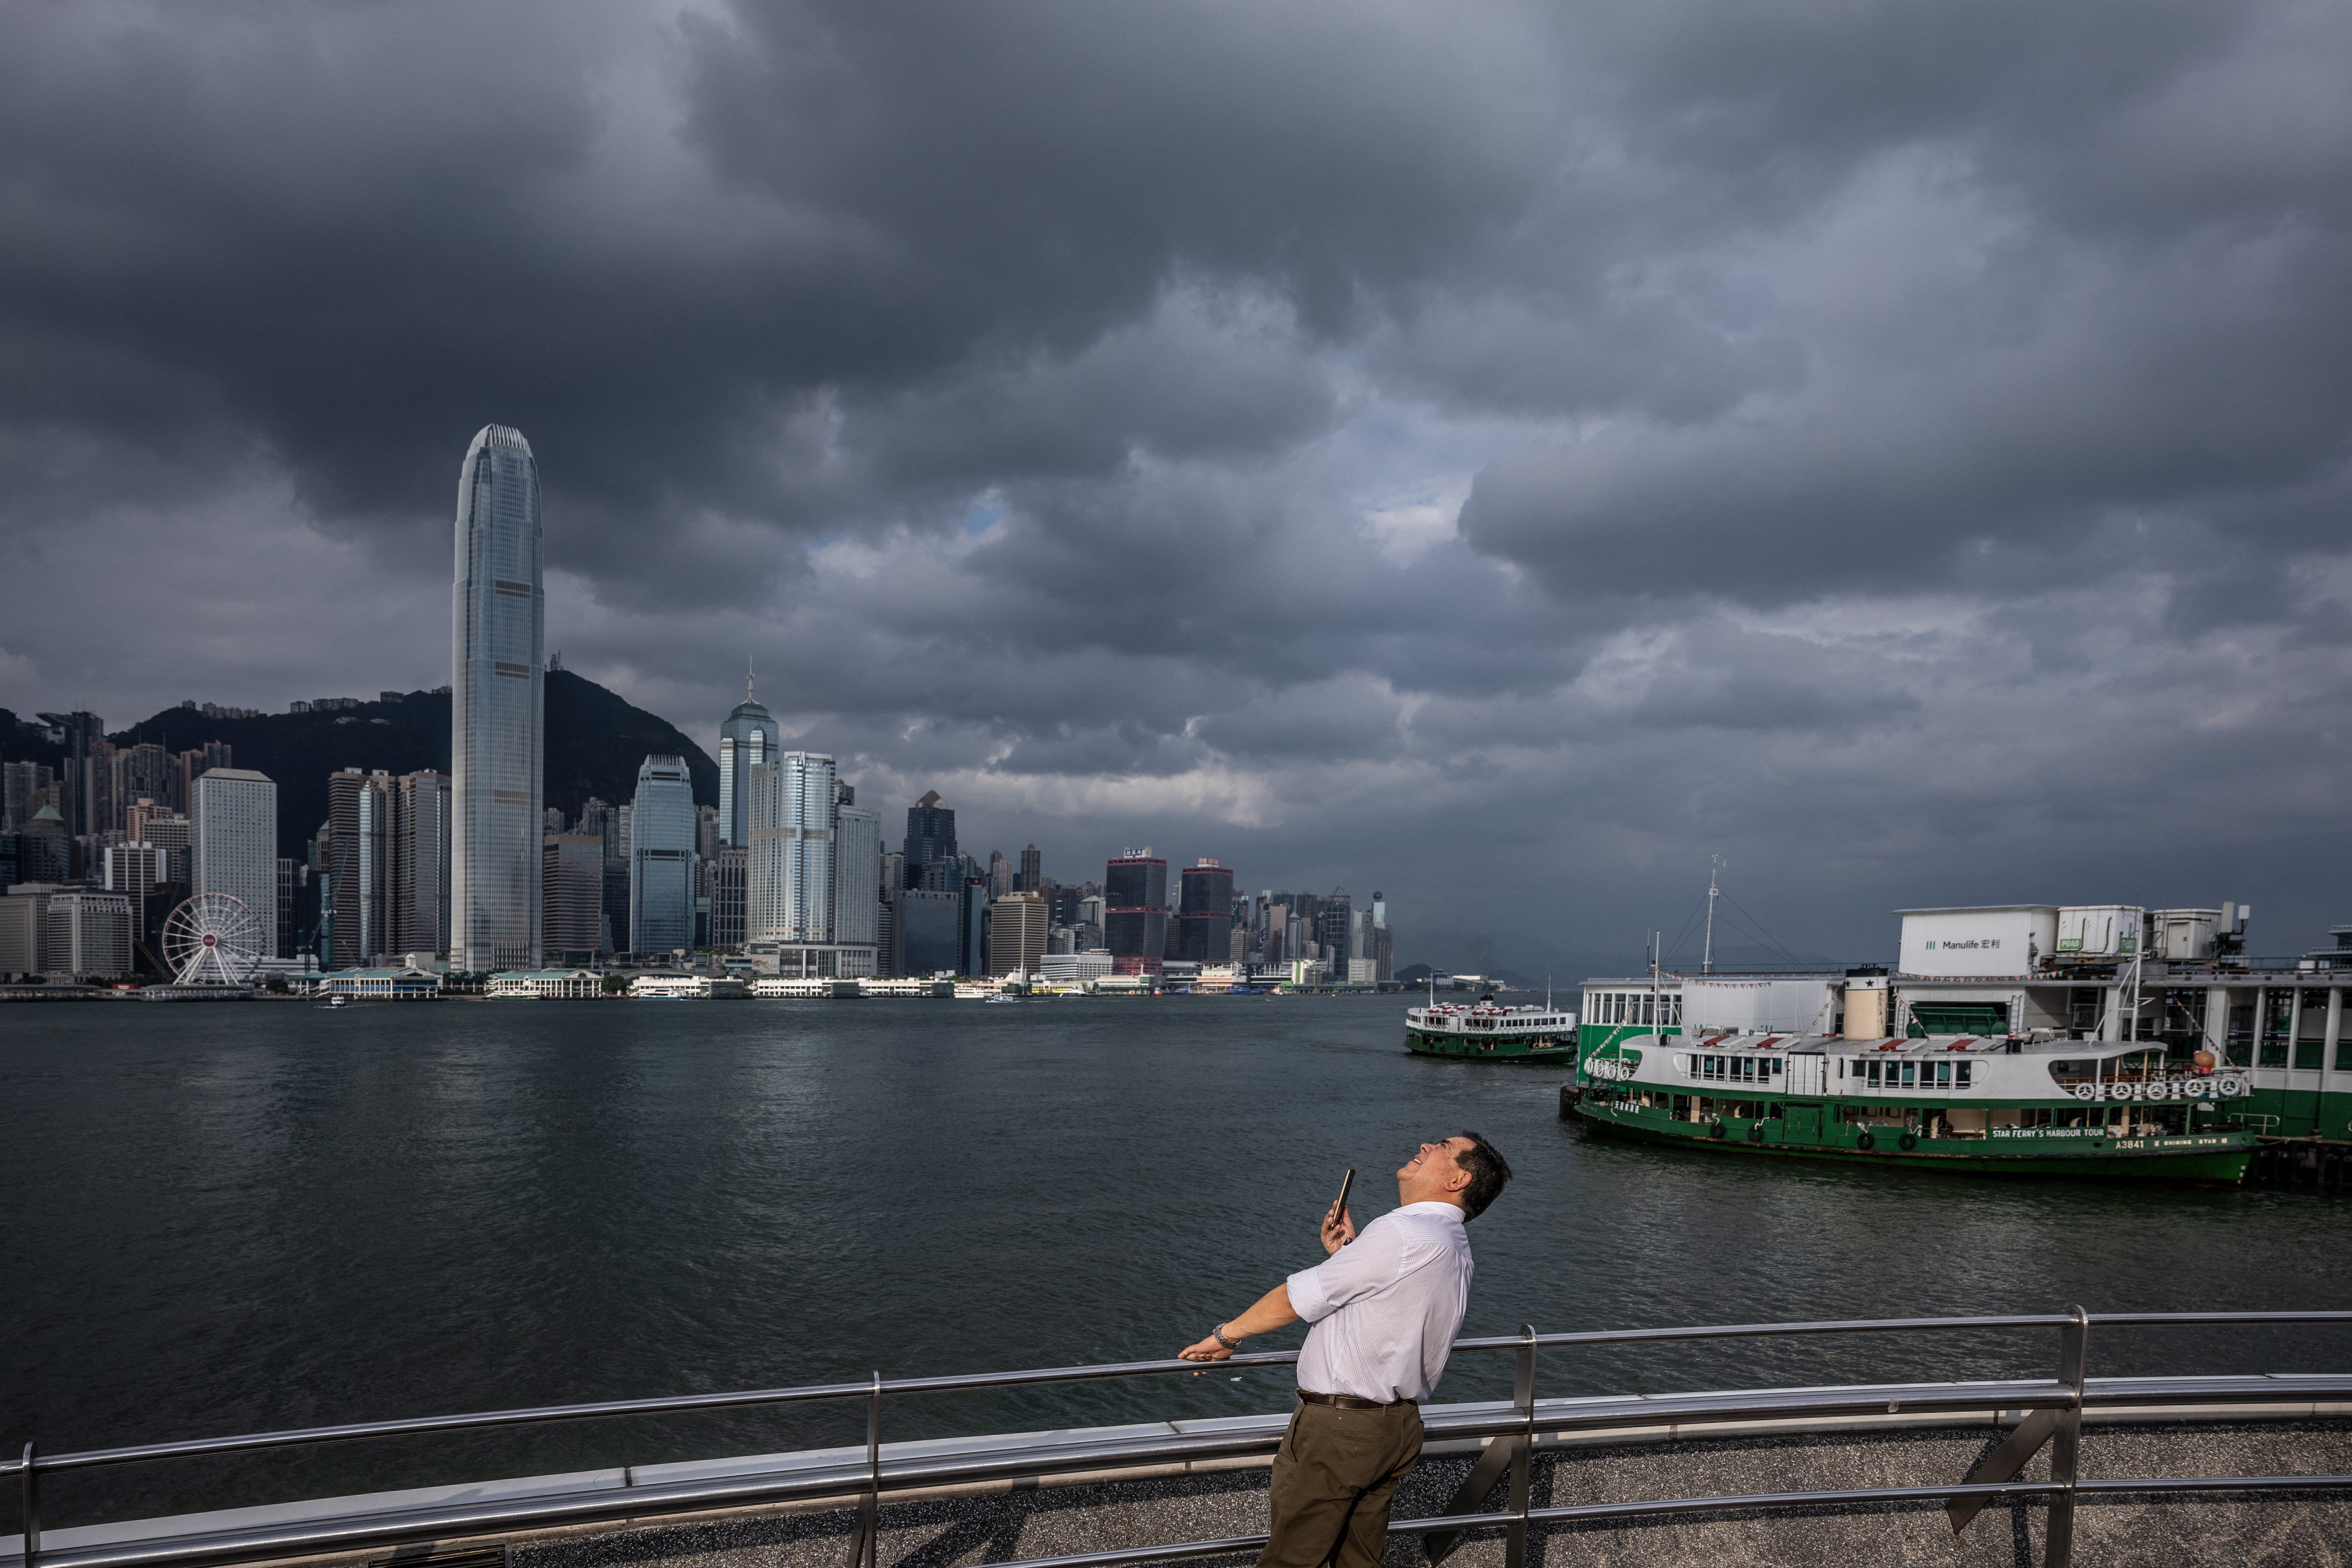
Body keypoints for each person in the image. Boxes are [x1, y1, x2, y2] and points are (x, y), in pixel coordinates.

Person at [1179, 1132, 1512, 1568]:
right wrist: (1348, 1254)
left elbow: (1293, 1299)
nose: (1426, 1145)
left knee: (1293, 1558)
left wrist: (1225, 1337)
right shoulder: (1453, 1245)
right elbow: (1391, 1304)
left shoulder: (1403, 1230)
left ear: (1457, 1178)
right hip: (1396, 1427)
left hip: (1341, 1430)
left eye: (1442, 1146)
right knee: (1359, 1558)